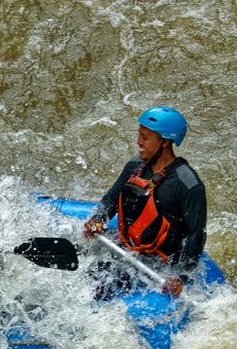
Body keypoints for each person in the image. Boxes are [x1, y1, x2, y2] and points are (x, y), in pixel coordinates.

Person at [82, 106, 206, 298]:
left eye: (145, 138)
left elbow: (195, 235)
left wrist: (180, 277)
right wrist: (98, 219)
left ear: (164, 141)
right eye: (139, 135)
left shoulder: (188, 184)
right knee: (79, 258)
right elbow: (111, 199)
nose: (139, 142)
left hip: (158, 261)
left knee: (99, 284)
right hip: (126, 244)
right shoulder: (135, 165)